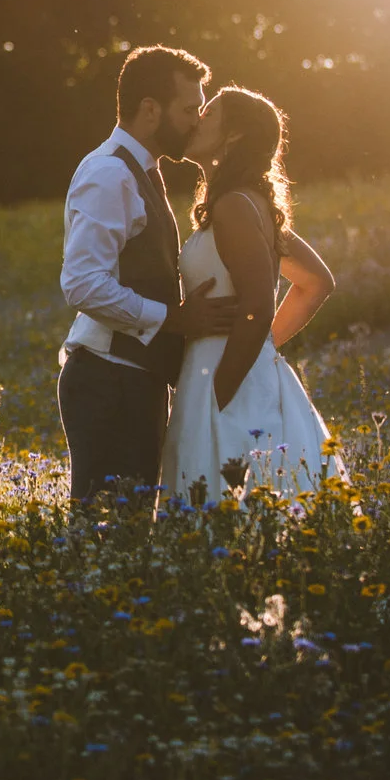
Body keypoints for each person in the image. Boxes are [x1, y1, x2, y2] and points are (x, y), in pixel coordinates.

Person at [57, 46, 239, 510]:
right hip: (108, 383)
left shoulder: (142, 170)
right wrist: (173, 319)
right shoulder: (109, 173)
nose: (196, 121)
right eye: (188, 109)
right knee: (106, 537)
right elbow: (81, 283)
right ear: (151, 109)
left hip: (132, 381)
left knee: (128, 532)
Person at [160, 85, 345, 505]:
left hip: (224, 380)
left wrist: (225, 385)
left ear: (235, 135)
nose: (196, 118)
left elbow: (260, 304)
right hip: (235, 369)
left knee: (227, 504)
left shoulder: (235, 206)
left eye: (208, 114)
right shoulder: (246, 202)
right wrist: (262, 349)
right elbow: (316, 281)